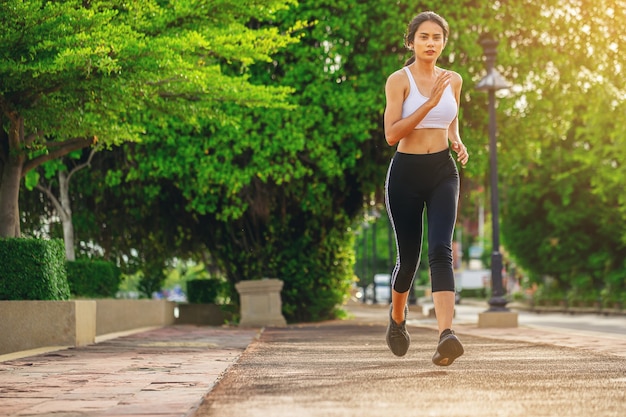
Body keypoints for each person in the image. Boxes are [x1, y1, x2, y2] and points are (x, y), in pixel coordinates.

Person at [383, 11, 469, 366]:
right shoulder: (398, 81)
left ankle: (445, 335)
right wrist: (429, 103)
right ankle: (397, 319)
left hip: (442, 172)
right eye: (424, 37)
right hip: (406, 174)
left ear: (444, 42)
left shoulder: (454, 80)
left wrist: (457, 140)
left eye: (436, 37)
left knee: (440, 249)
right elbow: (391, 134)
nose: (430, 43)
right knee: (409, 262)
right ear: (411, 41)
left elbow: (451, 119)